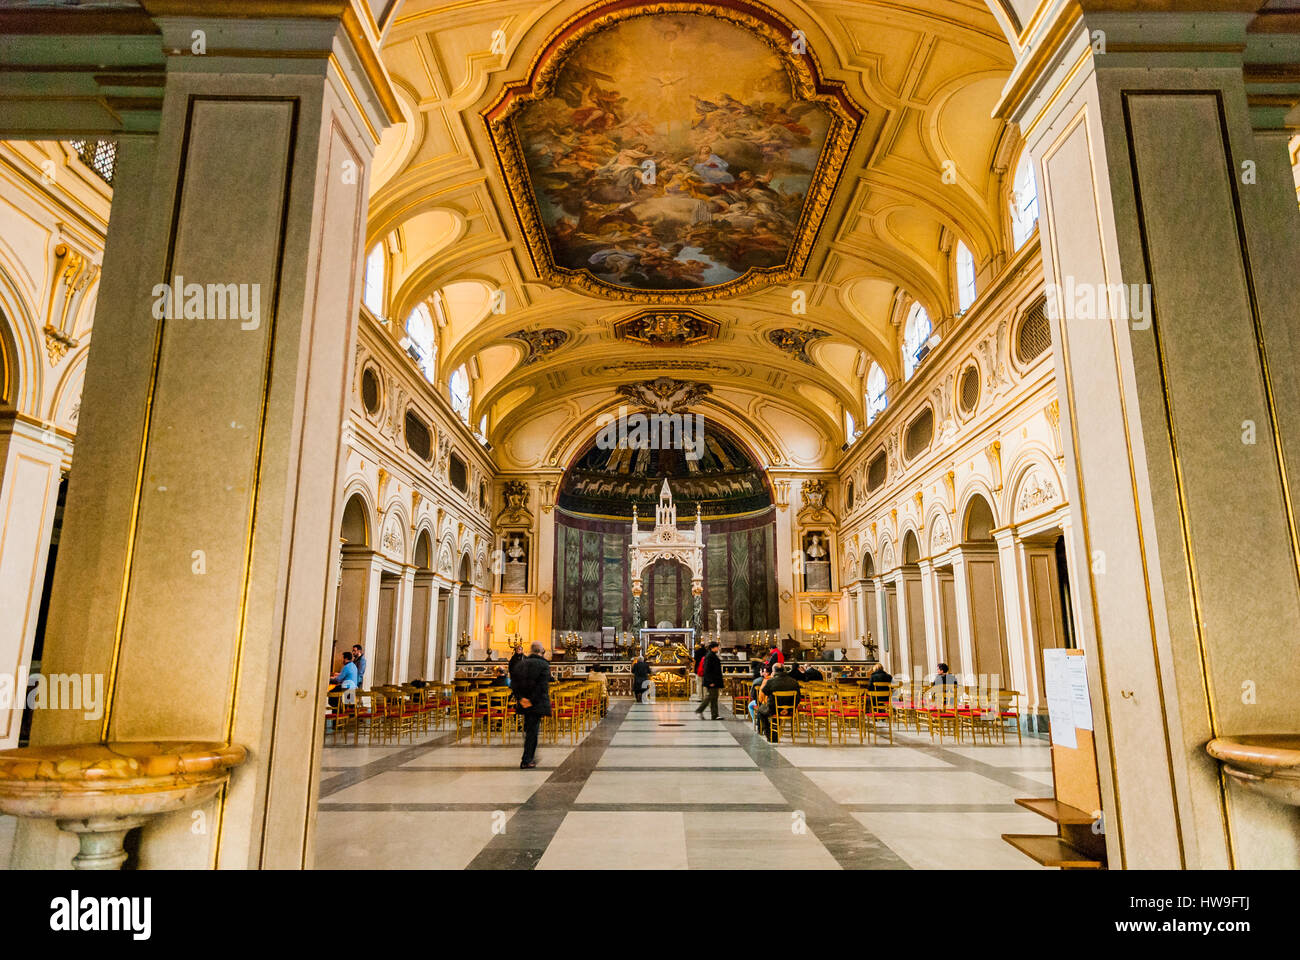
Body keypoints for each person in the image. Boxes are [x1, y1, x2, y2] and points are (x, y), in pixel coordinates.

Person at [513, 641, 552, 769]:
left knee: (529, 730)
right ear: (541, 652)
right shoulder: (543, 665)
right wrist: (531, 700)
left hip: (524, 703)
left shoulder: (521, 664)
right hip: (535, 704)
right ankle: (527, 759)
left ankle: (528, 756)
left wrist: (521, 698)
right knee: (532, 731)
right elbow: (541, 687)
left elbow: (514, 683)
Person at [759, 665, 800, 741]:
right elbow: (798, 698)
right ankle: (775, 732)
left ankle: (769, 735)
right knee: (774, 712)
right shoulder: (794, 681)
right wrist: (789, 709)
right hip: (789, 710)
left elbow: (764, 692)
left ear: (774, 672)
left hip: (773, 709)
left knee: (761, 711)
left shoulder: (771, 681)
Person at [694, 640, 725, 720]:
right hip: (712, 681)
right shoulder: (709, 656)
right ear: (713, 648)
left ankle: (715, 715)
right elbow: (707, 670)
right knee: (710, 696)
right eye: (717, 647)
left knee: (714, 697)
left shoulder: (712, 655)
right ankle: (699, 710)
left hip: (714, 680)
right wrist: (710, 681)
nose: (718, 648)